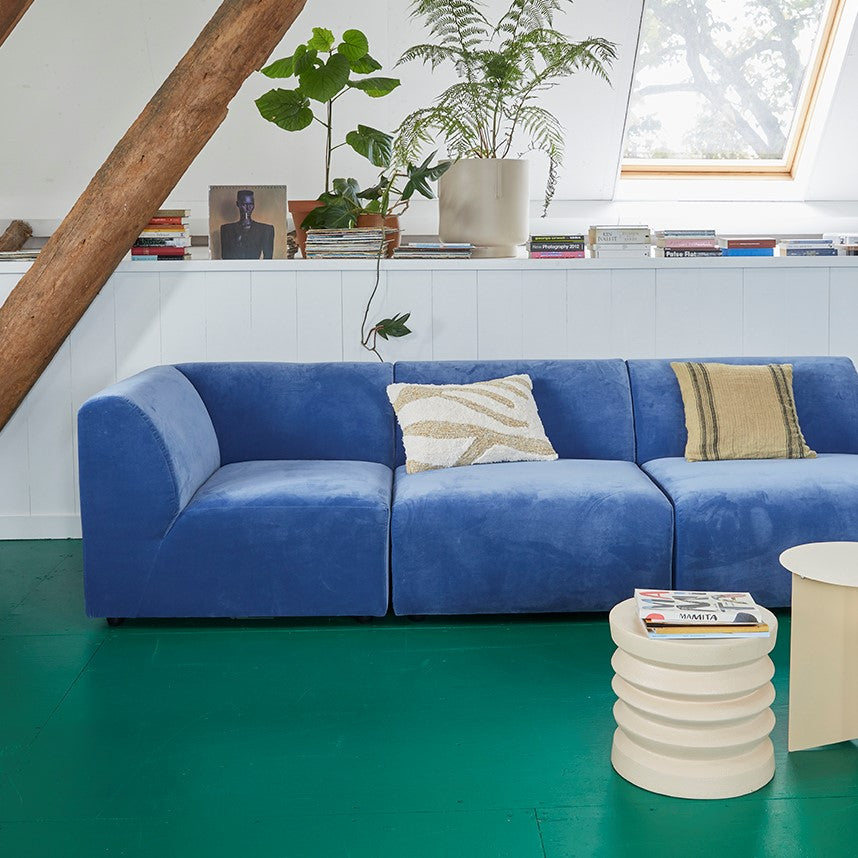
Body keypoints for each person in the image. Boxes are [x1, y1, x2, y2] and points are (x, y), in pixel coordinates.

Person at [219, 189, 275, 259]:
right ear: (238, 204)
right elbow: (225, 257)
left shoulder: (266, 230)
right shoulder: (226, 230)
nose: (248, 208)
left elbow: (268, 259)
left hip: (255, 268)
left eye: (251, 204)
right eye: (244, 204)